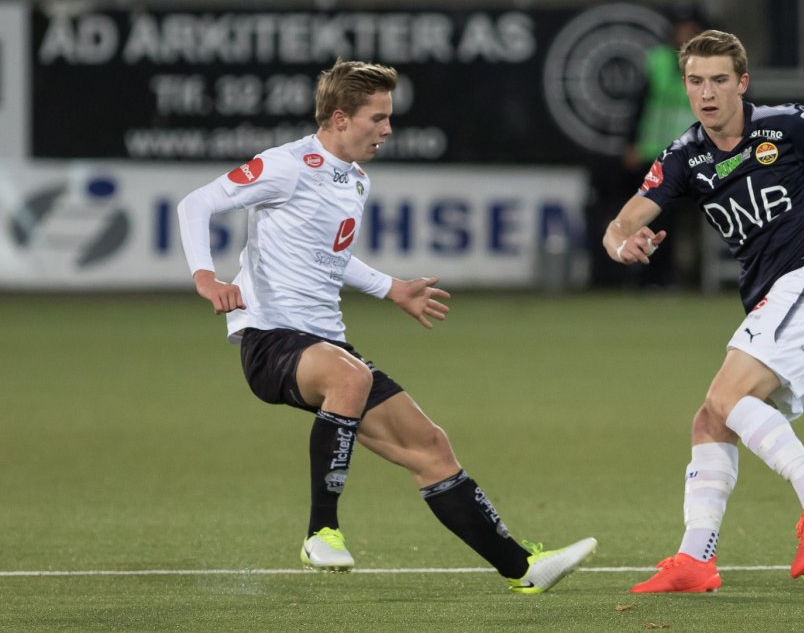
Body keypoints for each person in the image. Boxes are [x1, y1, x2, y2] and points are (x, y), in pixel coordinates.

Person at [176, 58, 596, 593]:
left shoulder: (355, 180)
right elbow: (197, 203)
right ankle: (320, 531)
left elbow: (329, 257)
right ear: (340, 118)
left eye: (388, 117)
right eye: (377, 117)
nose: (388, 128)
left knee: (430, 447)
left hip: (326, 343)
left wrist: (390, 287)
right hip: (270, 340)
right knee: (350, 378)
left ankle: (522, 568)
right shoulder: (287, 164)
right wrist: (205, 276)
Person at [603, 30, 804, 593]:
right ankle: (695, 559)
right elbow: (621, 223)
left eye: (719, 80)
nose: (707, 93)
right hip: (783, 299)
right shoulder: (685, 156)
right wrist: (622, 246)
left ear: (743, 83)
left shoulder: (786, 125)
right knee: (712, 418)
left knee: (726, 398)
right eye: (695, 81)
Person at [618, 1, 708, 289]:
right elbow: (639, 105)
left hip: (698, 154)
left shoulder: (713, 62)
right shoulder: (657, 60)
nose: (684, 33)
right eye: (680, 28)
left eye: (689, 28)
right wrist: (632, 143)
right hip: (656, 151)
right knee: (657, 218)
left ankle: (690, 275)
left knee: (691, 219)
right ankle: (654, 276)